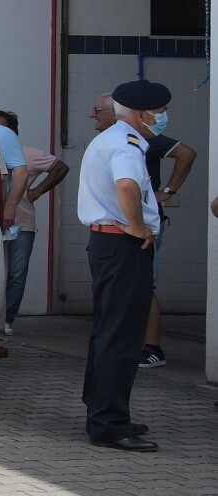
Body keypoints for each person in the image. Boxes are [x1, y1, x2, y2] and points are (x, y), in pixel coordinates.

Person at [75, 80, 168, 452]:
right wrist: (137, 226)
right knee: (122, 335)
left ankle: (102, 411)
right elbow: (128, 187)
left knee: (108, 331)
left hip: (108, 243)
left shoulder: (113, 139)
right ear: (142, 115)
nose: (162, 118)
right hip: (123, 245)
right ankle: (109, 424)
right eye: (159, 113)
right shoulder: (126, 144)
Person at [0, 109, 68, 336]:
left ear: (12, 132)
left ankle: (8, 319)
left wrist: (36, 192)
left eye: (0, 127)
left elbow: (60, 167)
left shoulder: (28, 154)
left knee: (16, 274)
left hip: (21, 224)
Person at [137, 106, 195, 369]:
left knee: (144, 285)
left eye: (97, 111)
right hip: (126, 225)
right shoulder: (117, 140)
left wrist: (168, 191)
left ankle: (152, 348)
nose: (94, 116)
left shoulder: (146, 138)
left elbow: (186, 153)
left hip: (145, 224)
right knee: (134, 285)